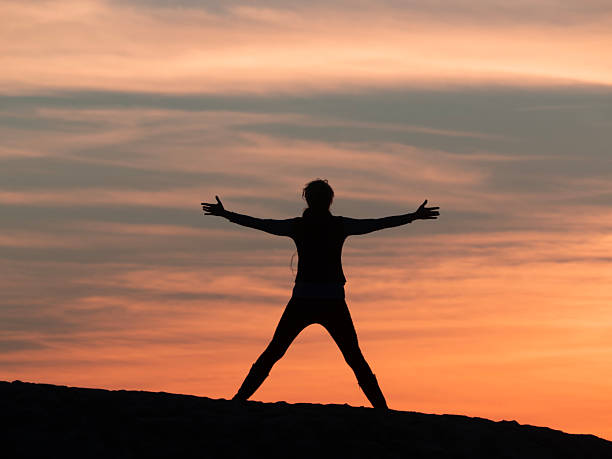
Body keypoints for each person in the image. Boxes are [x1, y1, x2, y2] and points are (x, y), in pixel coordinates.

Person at [201, 179, 439, 409]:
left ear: (308, 200)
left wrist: (227, 215)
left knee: (275, 352)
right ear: (329, 201)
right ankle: (383, 410)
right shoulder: (337, 225)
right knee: (353, 358)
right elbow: (377, 223)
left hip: (307, 299)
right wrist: (412, 217)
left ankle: (238, 401)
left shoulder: (301, 225)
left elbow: (261, 223)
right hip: (330, 300)